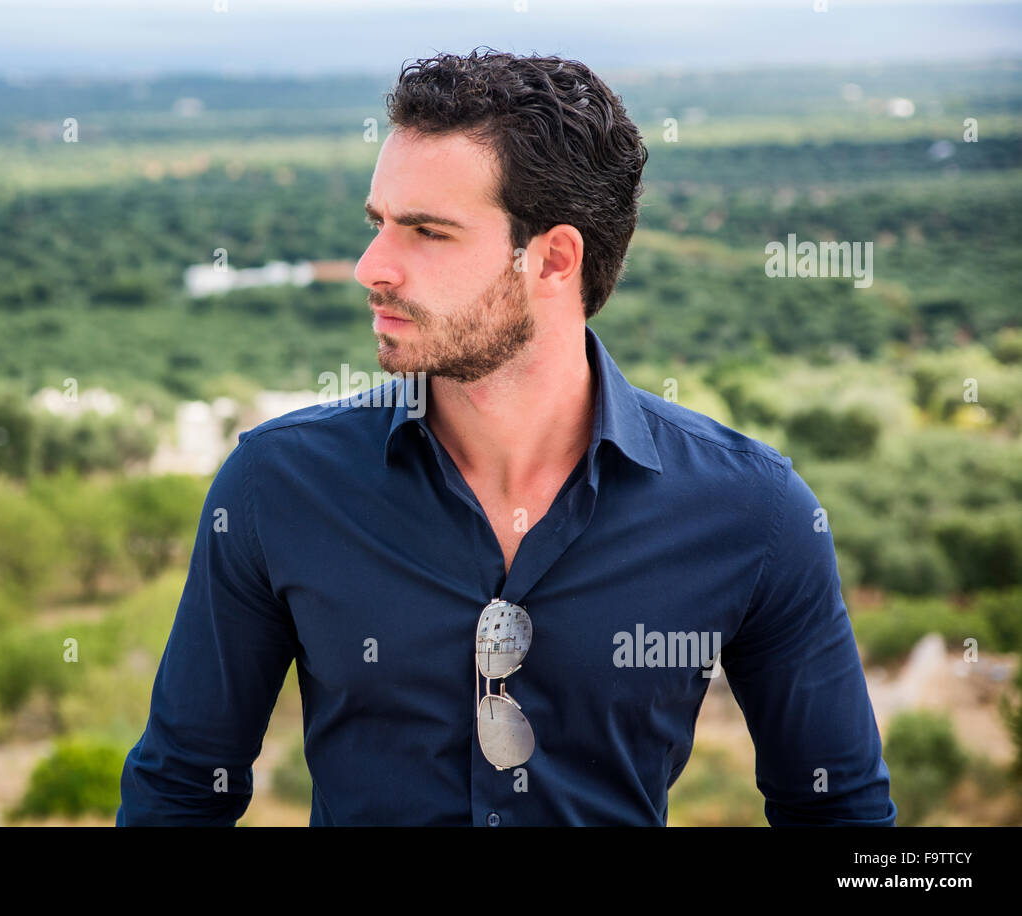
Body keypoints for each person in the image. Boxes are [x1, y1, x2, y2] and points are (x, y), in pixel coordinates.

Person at [117, 48, 897, 826]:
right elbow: (179, 794)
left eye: (427, 232)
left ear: (553, 259)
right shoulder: (276, 486)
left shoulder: (755, 512)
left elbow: (841, 816)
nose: (371, 267)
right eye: (378, 223)